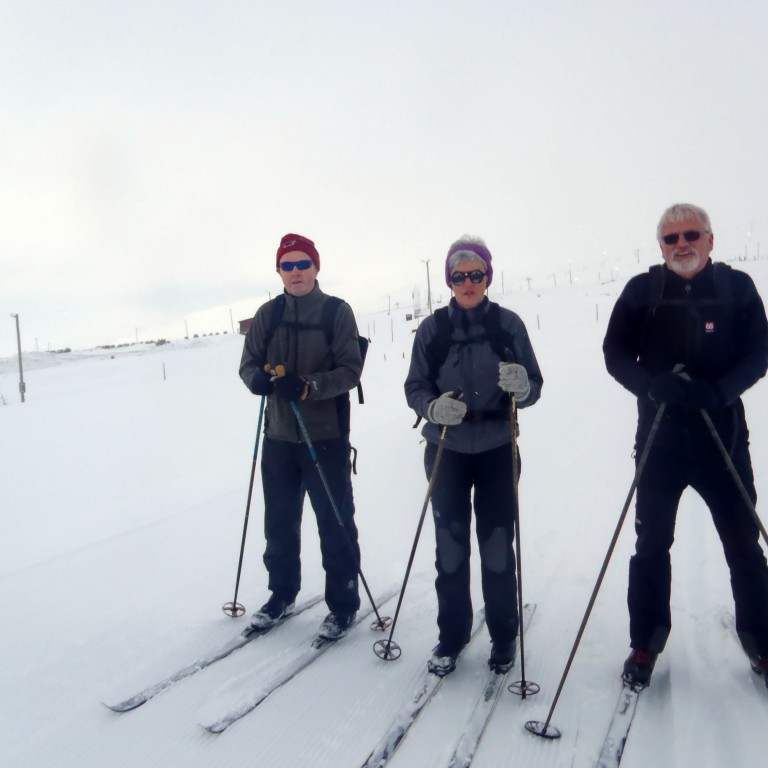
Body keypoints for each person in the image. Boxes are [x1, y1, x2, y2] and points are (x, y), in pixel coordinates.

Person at [603, 203, 768, 690]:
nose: (682, 245)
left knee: (743, 543)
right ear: (661, 247)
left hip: (723, 438)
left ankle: (762, 640)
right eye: (671, 239)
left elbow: (760, 352)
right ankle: (646, 644)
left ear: (711, 239)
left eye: (691, 235)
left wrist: (718, 391)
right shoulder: (642, 290)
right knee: (651, 544)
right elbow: (615, 352)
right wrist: (651, 386)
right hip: (660, 441)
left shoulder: (736, 288)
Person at [404, 235, 543, 676]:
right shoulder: (432, 329)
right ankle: (452, 635)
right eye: (459, 275)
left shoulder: (508, 325)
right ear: (449, 279)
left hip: (499, 447)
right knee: (450, 546)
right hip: (447, 448)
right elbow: (415, 386)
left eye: (475, 274)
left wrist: (523, 386)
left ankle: (503, 635)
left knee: (498, 547)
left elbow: (535, 384)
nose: (467, 282)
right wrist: (431, 407)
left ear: (487, 276)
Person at [239, 233, 364, 641]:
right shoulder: (267, 314)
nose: (296, 272)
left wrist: (309, 386)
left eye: (302, 264)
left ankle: (343, 604)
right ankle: (281, 594)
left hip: (324, 437)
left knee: (334, 521)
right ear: (279, 271)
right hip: (277, 436)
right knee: (278, 522)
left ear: (316, 267)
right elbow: (248, 364)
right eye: (288, 265)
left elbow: (349, 370)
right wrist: (256, 379)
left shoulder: (336, 312)